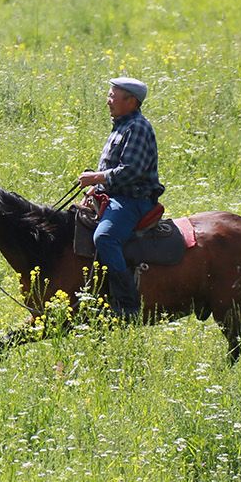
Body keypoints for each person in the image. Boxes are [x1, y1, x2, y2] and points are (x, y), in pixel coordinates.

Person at [76, 76, 163, 320]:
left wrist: (97, 178)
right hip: (116, 196)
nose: (108, 101)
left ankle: (127, 304)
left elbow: (131, 171)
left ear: (131, 101)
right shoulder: (122, 125)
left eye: (113, 96)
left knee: (105, 237)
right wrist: (95, 189)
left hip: (133, 200)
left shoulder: (137, 127)